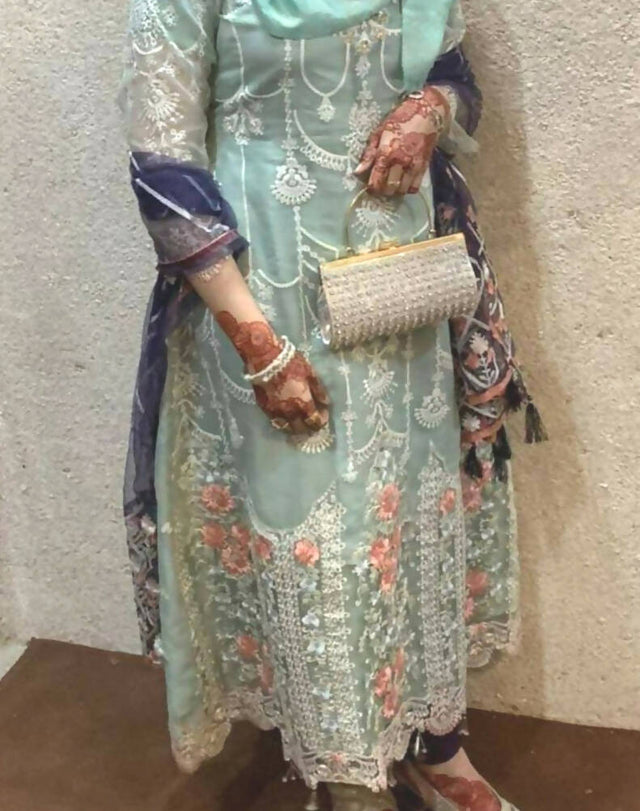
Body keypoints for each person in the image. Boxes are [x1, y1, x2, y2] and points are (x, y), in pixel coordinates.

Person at [119, 2, 545, 809]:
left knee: (401, 517)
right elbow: (161, 162)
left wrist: (430, 111)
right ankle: (348, 774)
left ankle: (431, 745)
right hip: (265, 293)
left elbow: (453, 72)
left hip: (400, 287)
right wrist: (258, 344)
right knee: (316, 530)